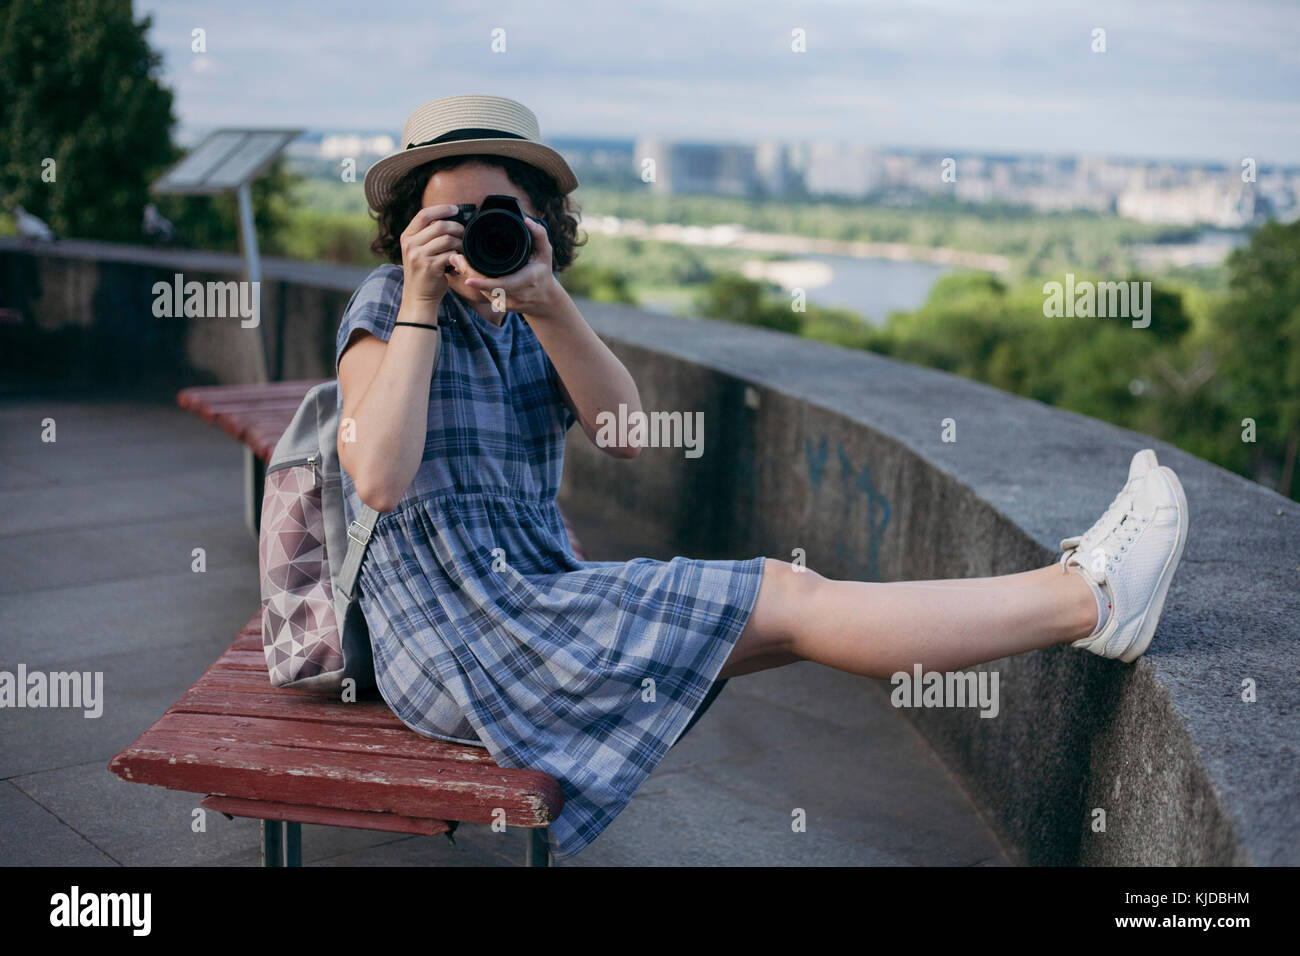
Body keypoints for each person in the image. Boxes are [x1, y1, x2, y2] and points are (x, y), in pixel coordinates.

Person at [336, 95, 1189, 863]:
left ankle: (1087, 597)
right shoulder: (386, 306)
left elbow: (625, 434)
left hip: (530, 602)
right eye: (452, 214)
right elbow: (378, 479)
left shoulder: (529, 315)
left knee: (784, 620)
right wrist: (419, 300)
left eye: (502, 213)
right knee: (785, 598)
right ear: (412, 224)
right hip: (452, 636)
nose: (478, 231)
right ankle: (1090, 598)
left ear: (541, 223)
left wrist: (549, 299)